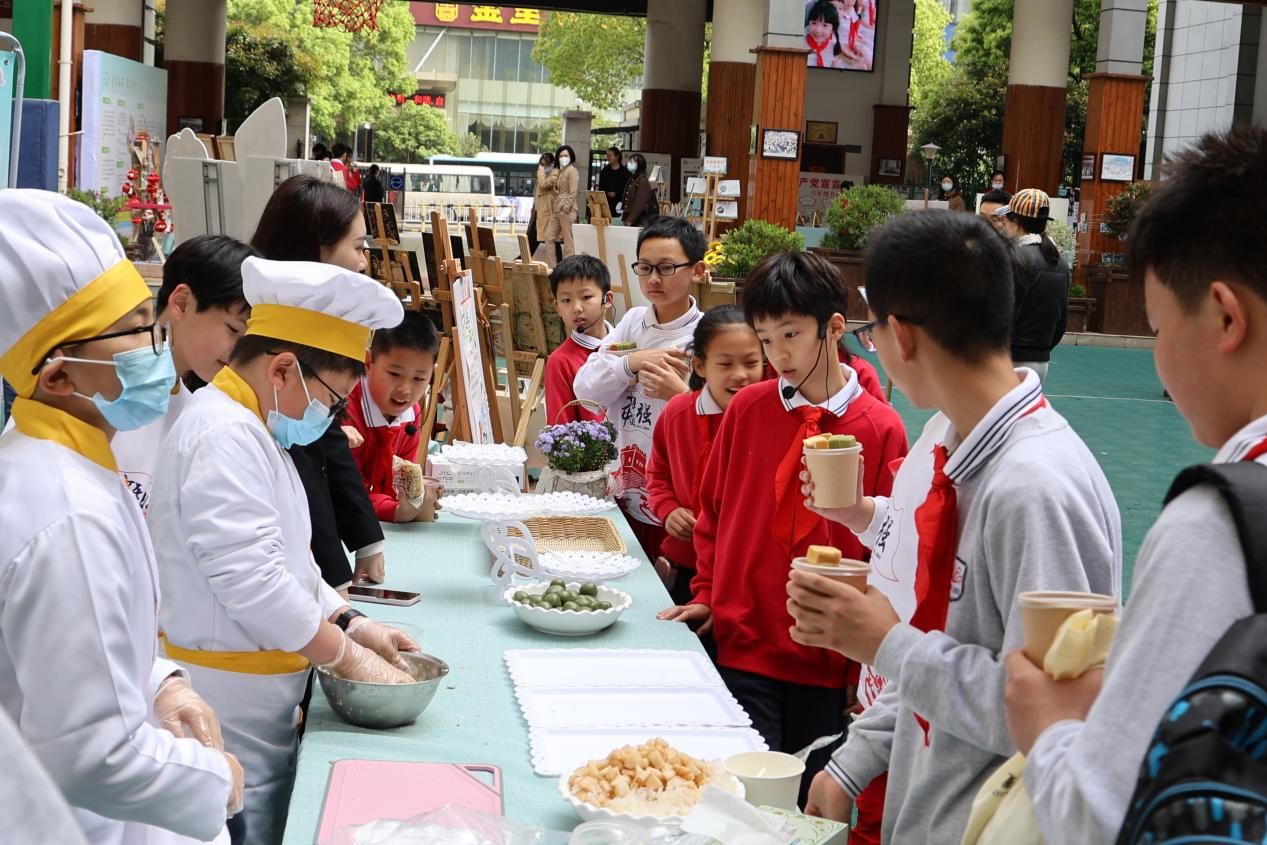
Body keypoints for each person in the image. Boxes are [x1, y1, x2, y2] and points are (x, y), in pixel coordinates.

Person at [789, 211, 1121, 844]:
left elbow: (1056, 715)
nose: (874, 348)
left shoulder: (1034, 488)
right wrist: (851, 763)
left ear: (903, 337)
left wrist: (882, 642)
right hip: (929, 807)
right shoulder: (945, 439)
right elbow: (945, 634)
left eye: (872, 330)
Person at [1001, 126, 1267, 845]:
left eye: (1157, 327)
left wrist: (1049, 728)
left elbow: (1102, 808)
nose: (1157, 356)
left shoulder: (1223, 523)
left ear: (1223, 315)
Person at [149, 256, 418, 845]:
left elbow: (291, 562)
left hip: (259, 697)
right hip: (228, 703)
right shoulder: (222, 434)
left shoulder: (255, 429)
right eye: (333, 400)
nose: (330, 416)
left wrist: (352, 620)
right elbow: (255, 584)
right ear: (284, 369)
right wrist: (346, 657)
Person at [0, 189, 242, 844]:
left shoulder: (66, 461)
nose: (155, 346)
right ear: (58, 377)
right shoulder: (65, 513)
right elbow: (90, 754)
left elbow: (87, 646)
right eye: (135, 329)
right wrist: (216, 776)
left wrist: (161, 683)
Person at [659, 250, 908, 805]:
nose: (778, 354)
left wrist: (859, 666)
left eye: (791, 334)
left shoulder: (881, 426)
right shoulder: (748, 408)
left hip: (825, 657)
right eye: (766, 339)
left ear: (834, 328)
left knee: (800, 803)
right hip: (744, 642)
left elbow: (891, 555)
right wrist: (708, 595)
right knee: (742, 796)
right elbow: (714, 515)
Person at [252, 174, 387, 592]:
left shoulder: (315, 316)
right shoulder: (265, 329)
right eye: (358, 247)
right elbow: (303, 463)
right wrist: (332, 578)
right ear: (318, 248)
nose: (364, 263)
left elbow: (324, 432)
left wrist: (364, 540)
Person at [574, 216, 704, 560]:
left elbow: (721, 423)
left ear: (697, 270)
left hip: (675, 503)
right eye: (644, 268)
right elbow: (586, 388)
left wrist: (679, 395)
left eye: (666, 268)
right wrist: (633, 362)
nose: (654, 279)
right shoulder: (633, 321)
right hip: (620, 489)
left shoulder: (707, 337)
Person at [112, 234, 255, 513]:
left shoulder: (194, 417)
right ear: (182, 303)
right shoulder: (99, 379)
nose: (241, 353)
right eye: (234, 330)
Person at [646, 305, 763, 607]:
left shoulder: (767, 421)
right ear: (699, 366)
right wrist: (669, 510)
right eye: (725, 364)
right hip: (686, 560)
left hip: (744, 569)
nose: (740, 375)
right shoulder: (677, 412)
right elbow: (657, 473)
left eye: (751, 363)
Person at [345, 310, 443, 530]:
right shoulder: (345, 410)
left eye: (419, 378)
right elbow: (348, 494)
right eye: (394, 374)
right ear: (368, 361)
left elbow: (398, 480)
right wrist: (398, 511)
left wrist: (417, 497)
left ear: (432, 375)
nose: (405, 390)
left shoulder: (411, 414)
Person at [1000, 188, 1069, 382]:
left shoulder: (1013, 258)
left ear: (1015, 221)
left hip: (1009, 359)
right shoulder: (1059, 262)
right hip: (1040, 361)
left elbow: (999, 312)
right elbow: (1061, 320)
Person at [546, 255, 613, 425]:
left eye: (586, 297)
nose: (576, 308)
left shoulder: (627, 344)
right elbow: (561, 429)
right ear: (557, 307)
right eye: (566, 300)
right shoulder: (560, 362)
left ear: (607, 299)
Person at [532, 152, 560, 268]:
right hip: (540, 212)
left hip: (550, 213)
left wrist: (540, 170)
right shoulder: (543, 174)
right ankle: (555, 266)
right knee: (540, 238)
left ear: (552, 163)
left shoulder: (555, 174)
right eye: (541, 164)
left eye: (545, 164)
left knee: (553, 240)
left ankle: (557, 266)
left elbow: (544, 185)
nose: (543, 166)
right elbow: (536, 192)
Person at [553, 145, 580, 259]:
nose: (563, 158)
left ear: (571, 156)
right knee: (549, 236)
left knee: (568, 241)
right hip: (558, 208)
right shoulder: (561, 171)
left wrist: (566, 207)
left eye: (566, 155)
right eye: (561, 156)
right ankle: (553, 266)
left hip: (567, 210)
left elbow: (573, 192)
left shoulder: (572, 171)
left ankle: (570, 267)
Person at [621, 154, 656, 228]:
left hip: (639, 219)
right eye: (629, 162)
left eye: (632, 162)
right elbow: (626, 201)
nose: (629, 164)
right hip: (631, 218)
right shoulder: (632, 179)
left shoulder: (643, 180)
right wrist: (624, 218)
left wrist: (630, 220)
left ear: (639, 164)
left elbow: (639, 203)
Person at [805, 0, 843, 68]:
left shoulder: (834, 48)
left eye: (825, 25)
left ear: (833, 29)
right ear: (808, 24)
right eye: (814, 23)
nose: (818, 30)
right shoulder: (799, 45)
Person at [598, 146, 630, 218]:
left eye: (610, 155)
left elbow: (627, 189)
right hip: (606, 204)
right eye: (607, 156)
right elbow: (601, 188)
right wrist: (606, 193)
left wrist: (616, 194)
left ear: (617, 156)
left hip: (620, 205)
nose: (608, 158)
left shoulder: (625, 172)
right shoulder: (604, 171)